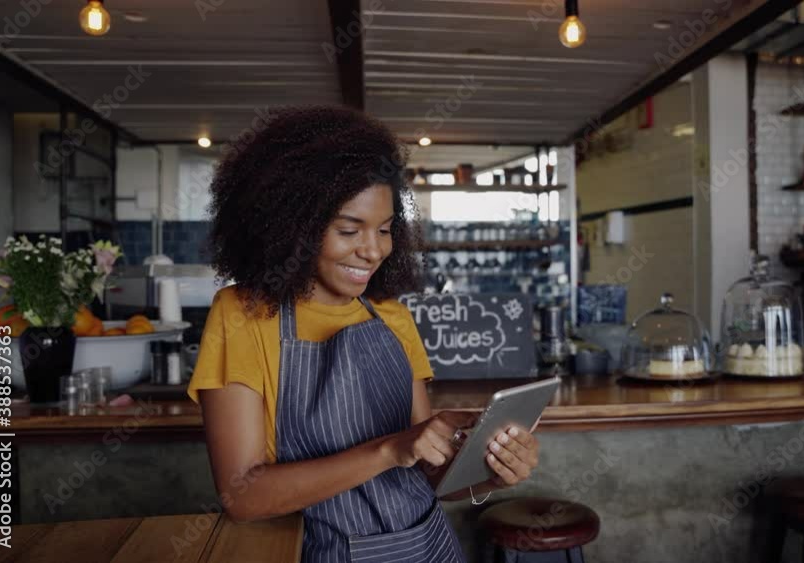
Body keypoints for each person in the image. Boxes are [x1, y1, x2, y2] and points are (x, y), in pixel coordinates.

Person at [188, 106, 540, 562]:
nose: (373, 251)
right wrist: (389, 449)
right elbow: (242, 497)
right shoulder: (244, 315)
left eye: (385, 230)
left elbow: (428, 474)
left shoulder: (392, 316)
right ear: (292, 225)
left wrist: (489, 469)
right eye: (348, 230)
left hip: (428, 547)